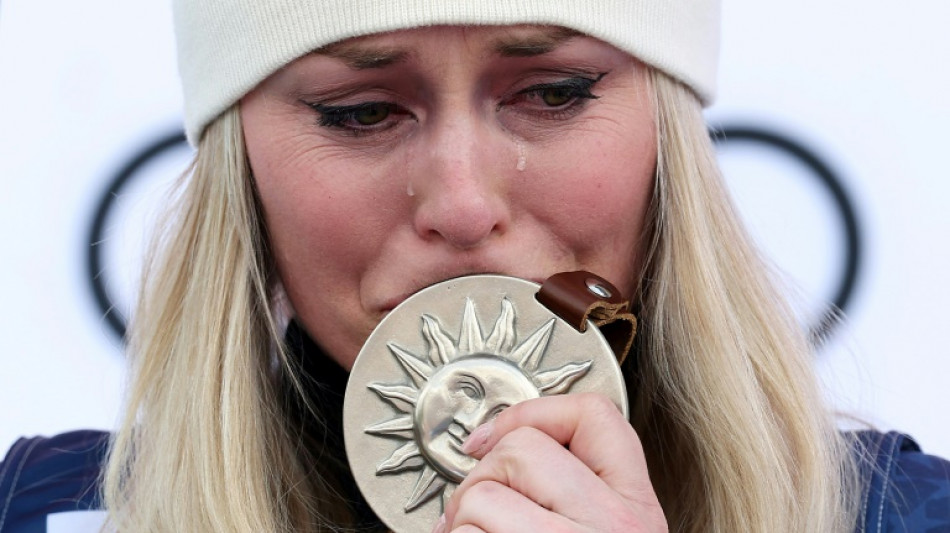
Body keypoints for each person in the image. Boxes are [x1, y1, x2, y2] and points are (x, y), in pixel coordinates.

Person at [2, 1, 949, 532]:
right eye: (362, 111)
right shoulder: (47, 513)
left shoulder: (901, 516)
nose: (462, 203)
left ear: (668, 136)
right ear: (239, 166)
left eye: (554, 92)